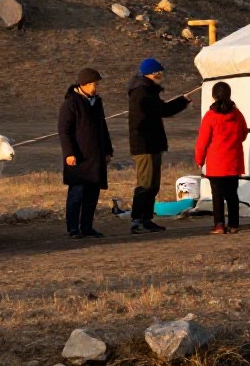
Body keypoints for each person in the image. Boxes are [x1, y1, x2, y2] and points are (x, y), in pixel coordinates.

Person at [126, 57, 190, 234]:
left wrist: (182, 100)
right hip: (144, 145)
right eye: (159, 73)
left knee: (153, 185)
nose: (161, 76)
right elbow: (163, 110)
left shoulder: (147, 91)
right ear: (152, 74)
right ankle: (137, 220)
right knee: (145, 184)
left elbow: (161, 109)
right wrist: (182, 101)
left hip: (152, 144)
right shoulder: (142, 93)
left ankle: (146, 219)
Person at [58, 67, 113, 239]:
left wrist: (108, 150)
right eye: (92, 84)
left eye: (96, 84)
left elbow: (103, 127)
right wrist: (69, 154)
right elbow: (64, 131)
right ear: (84, 84)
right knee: (77, 194)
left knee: (91, 195)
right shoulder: (70, 104)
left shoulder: (97, 102)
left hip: (95, 157)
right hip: (78, 158)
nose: (95, 88)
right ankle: (73, 229)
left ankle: (87, 227)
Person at [194, 82, 247, 234]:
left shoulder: (210, 117)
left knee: (217, 196)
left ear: (214, 96)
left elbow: (202, 141)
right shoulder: (237, 115)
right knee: (232, 195)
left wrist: (200, 159)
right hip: (233, 161)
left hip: (217, 163)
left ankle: (219, 225)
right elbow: (244, 133)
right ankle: (234, 225)